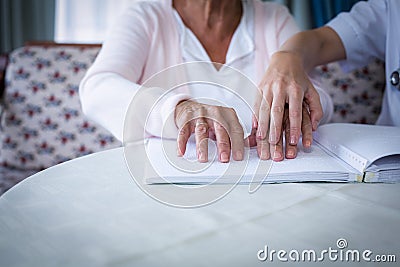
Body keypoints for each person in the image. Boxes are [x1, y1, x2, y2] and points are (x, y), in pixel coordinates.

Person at [79, 0, 333, 163]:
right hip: (174, 188)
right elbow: (97, 89)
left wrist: (298, 108)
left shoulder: (275, 18)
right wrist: (177, 109)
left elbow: (319, 97)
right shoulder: (146, 17)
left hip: (269, 179)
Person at [259, 0, 400, 157]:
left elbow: (320, 98)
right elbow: (323, 41)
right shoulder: (390, 6)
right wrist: (287, 57)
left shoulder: (277, 18)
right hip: (386, 155)